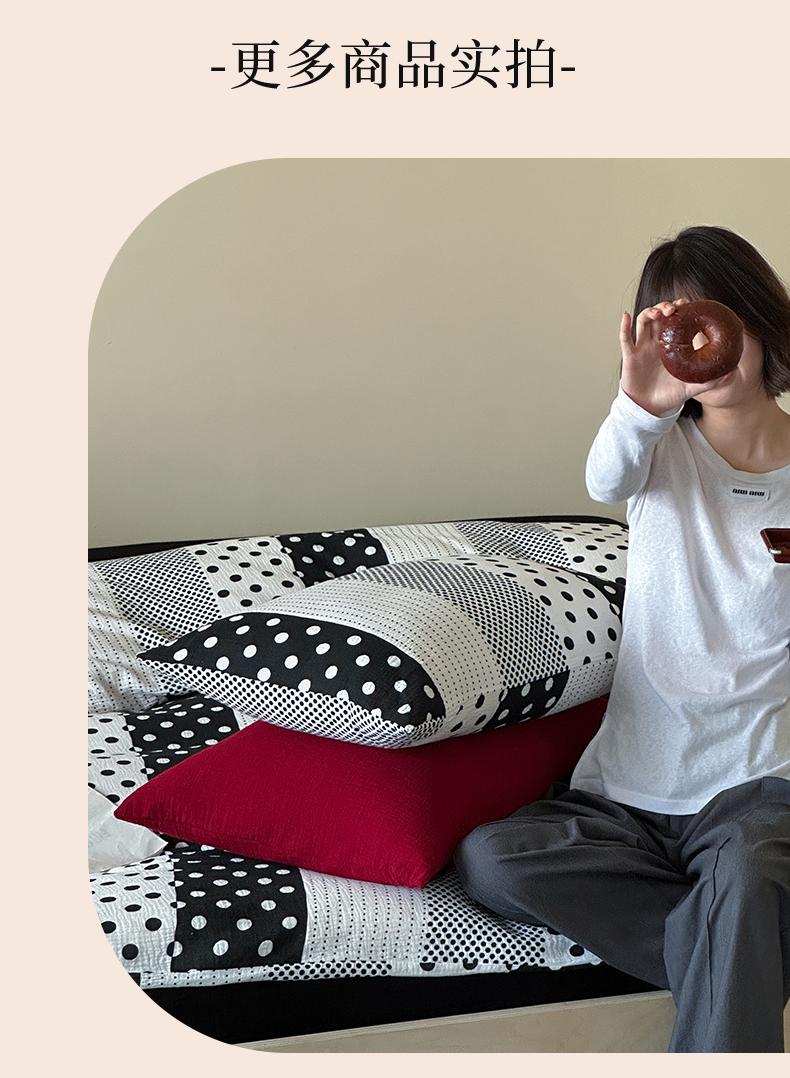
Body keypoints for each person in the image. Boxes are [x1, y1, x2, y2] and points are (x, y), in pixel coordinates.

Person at [454, 226, 790, 1053]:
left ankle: (740, 940)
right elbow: (604, 477)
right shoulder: (655, 453)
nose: (705, 348)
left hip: (760, 788)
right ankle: (739, 954)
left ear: (759, 321)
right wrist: (641, 402)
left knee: (750, 875)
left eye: (719, 319)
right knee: (493, 858)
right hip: (626, 796)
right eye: (677, 330)